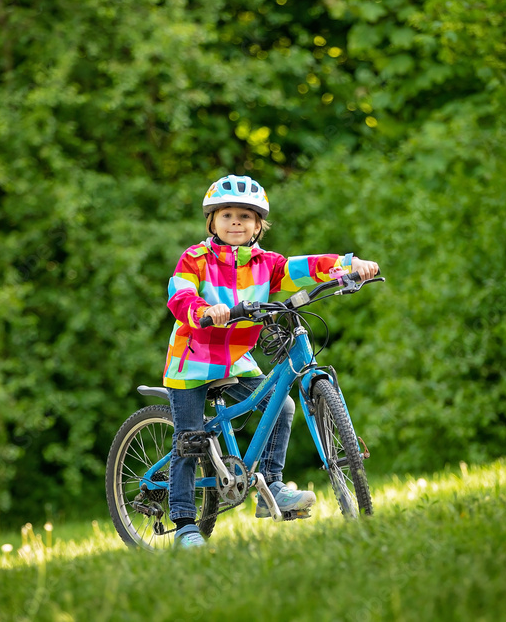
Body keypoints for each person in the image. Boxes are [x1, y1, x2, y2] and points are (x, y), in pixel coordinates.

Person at [163, 174, 380, 548]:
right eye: (227, 215)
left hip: (236, 358)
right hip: (193, 360)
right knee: (192, 439)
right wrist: (203, 309)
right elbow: (179, 294)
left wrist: (349, 265)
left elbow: (307, 266)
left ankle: (272, 486)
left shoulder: (267, 264)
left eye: (245, 217)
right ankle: (184, 524)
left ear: (258, 226)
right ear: (211, 222)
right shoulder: (195, 259)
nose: (236, 222)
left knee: (281, 407)